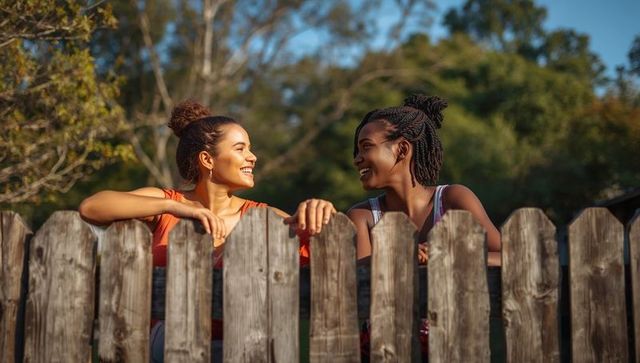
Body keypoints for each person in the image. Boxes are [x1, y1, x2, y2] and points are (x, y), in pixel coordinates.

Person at [79, 100, 335, 362]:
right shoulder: (168, 202)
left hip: (244, 343)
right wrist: (174, 206)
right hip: (169, 343)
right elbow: (92, 207)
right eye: (240, 148)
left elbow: (324, 251)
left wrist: (319, 209)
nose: (252, 156)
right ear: (207, 159)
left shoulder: (264, 216)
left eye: (250, 148)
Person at [346, 94, 501, 360]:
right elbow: (359, 280)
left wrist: (450, 257)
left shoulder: (454, 199)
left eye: (366, 147)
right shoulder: (362, 216)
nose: (357, 159)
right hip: (383, 350)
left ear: (402, 150)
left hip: (455, 347)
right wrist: (401, 257)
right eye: (357, 151)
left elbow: (507, 256)